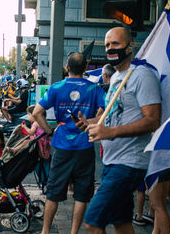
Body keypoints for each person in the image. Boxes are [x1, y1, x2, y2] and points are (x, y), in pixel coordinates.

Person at [82, 27, 161, 234]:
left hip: (129, 163)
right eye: (108, 45)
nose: (110, 49)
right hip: (111, 160)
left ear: (130, 46)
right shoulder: (117, 76)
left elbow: (153, 120)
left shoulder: (142, 76)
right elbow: (112, 115)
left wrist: (111, 132)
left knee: (92, 222)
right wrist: (90, 122)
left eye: (115, 44)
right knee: (122, 222)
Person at [32, 52, 105, 234]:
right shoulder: (94, 89)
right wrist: (92, 121)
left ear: (67, 68)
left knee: (53, 192)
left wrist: (48, 132)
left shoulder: (57, 87)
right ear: (86, 68)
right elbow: (106, 112)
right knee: (81, 195)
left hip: (62, 146)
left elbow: (36, 112)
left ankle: (46, 231)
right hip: (85, 147)